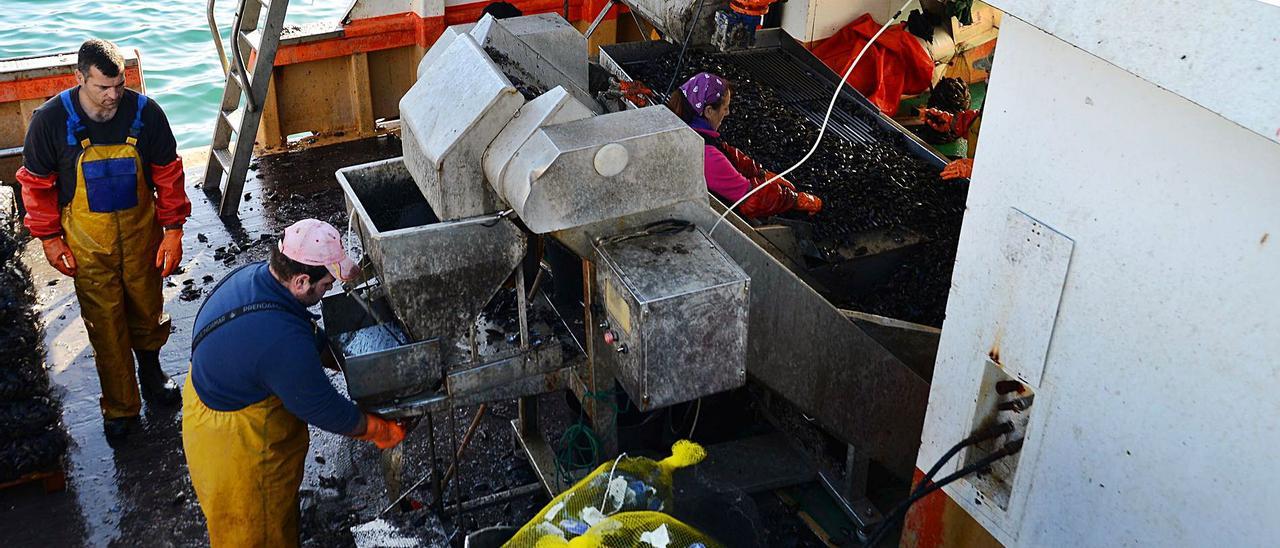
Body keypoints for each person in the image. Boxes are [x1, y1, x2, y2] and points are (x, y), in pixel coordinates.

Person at [183, 219, 407, 547]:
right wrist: (381, 431)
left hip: (218, 388)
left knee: (278, 514)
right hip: (235, 439)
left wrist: (349, 361)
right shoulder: (281, 342)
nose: (328, 289)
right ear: (302, 281)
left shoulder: (259, 278)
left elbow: (304, 334)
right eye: (326, 285)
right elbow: (323, 408)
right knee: (257, 531)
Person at [15, 38, 189, 440]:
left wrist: (174, 230)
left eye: (120, 86)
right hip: (87, 247)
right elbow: (37, 187)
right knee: (105, 324)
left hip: (141, 237)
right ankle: (120, 407)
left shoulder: (147, 114)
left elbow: (168, 175)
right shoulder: (49, 121)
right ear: (79, 78)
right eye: (102, 88)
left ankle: (152, 373)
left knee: (148, 309)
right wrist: (49, 239)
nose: (113, 96)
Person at [666, 72, 822, 218]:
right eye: (725, 108)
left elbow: (725, 153)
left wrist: (760, 173)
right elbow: (752, 198)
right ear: (708, 111)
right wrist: (794, 200)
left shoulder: (683, 126)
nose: (727, 113)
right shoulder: (704, 155)